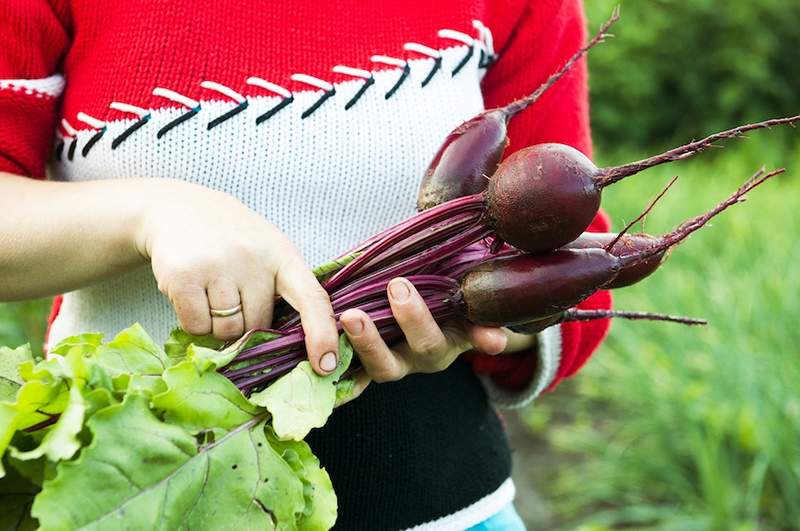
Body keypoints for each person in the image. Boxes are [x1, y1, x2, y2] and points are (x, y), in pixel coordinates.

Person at [0, 0, 611, 528]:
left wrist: (474, 320)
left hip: (445, 505)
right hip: (120, 496)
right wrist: (148, 213)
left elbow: (574, 262)